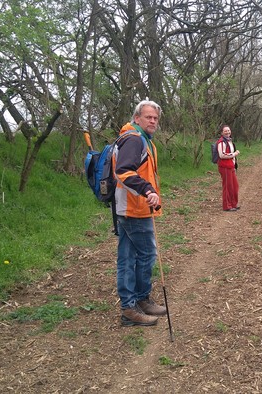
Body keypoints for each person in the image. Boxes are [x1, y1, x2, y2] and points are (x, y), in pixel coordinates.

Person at [113, 100, 166, 327]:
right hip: (134, 208)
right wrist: (146, 190)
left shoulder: (139, 139)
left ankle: (135, 303)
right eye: (148, 117)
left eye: (155, 118)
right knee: (146, 254)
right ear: (137, 118)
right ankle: (135, 304)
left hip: (130, 206)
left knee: (128, 256)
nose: (152, 121)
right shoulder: (135, 140)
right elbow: (123, 171)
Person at [216, 124, 241, 211]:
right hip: (224, 167)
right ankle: (227, 206)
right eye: (225, 131)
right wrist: (234, 154)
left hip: (230, 166)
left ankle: (233, 204)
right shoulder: (221, 142)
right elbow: (222, 155)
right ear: (222, 132)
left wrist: (234, 164)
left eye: (228, 130)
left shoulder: (229, 141)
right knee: (227, 186)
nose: (227, 132)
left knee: (235, 186)